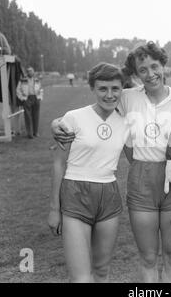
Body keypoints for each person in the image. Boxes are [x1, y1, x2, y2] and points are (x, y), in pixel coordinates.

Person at [52, 41, 171, 283]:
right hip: (141, 181)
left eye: (154, 66)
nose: (150, 74)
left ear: (163, 65)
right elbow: (90, 113)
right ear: (135, 74)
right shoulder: (126, 97)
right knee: (147, 258)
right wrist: (56, 124)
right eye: (142, 70)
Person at [47, 63, 129, 282]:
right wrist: (55, 209)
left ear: (122, 89)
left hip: (109, 196)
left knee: (102, 271)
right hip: (75, 193)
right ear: (92, 88)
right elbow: (58, 164)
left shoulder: (126, 121)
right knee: (82, 278)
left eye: (115, 89)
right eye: (103, 88)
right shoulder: (73, 118)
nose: (109, 95)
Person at [16, 66, 43, 138]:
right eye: (28, 71)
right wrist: (23, 98)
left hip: (36, 98)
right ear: (27, 73)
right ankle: (30, 134)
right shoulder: (22, 80)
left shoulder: (37, 79)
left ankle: (36, 132)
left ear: (33, 72)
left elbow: (40, 89)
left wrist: (40, 97)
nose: (30, 72)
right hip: (27, 98)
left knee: (36, 116)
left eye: (31, 71)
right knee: (28, 117)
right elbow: (18, 90)